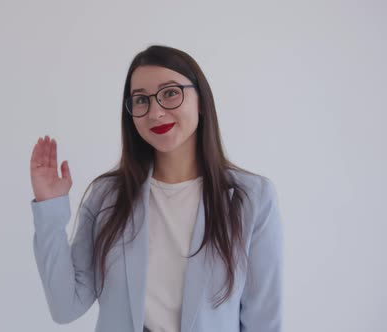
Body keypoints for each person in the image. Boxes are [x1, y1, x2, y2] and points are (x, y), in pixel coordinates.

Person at [29, 44, 283, 332]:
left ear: (201, 100)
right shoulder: (108, 196)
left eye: (170, 93)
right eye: (140, 100)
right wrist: (50, 210)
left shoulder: (252, 197)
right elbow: (66, 306)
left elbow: (264, 321)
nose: (156, 111)